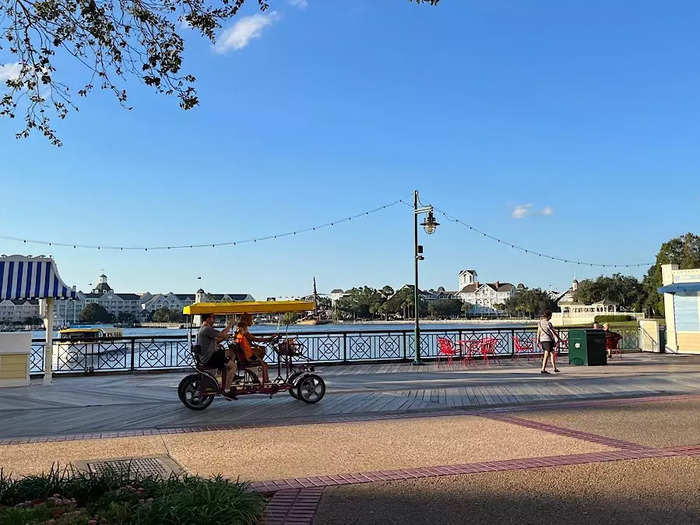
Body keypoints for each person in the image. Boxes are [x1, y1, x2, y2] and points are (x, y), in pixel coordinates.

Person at [197, 313, 236, 394]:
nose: (214, 320)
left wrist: (217, 344)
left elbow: (218, 338)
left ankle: (227, 372)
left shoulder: (204, 329)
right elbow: (222, 335)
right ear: (207, 319)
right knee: (233, 366)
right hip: (210, 357)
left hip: (207, 356)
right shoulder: (207, 329)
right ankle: (227, 389)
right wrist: (230, 325)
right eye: (213, 318)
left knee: (231, 353)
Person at [234, 313, 275, 383]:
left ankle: (258, 375)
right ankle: (264, 379)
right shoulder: (241, 332)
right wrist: (268, 339)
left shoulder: (240, 332)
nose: (252, 321)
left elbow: (243, 341)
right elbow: (253, 339)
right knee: (263, 361)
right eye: (251, 319)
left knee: (261, 351)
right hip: (246, 356)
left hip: (245, 354)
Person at [536, 310, 560, 374]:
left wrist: (537, 340)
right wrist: (559, 338)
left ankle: (554, 368)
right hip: (548, 340)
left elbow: (539, 332)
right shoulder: (548, 323)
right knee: (546, 354)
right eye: (551, 316)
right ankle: (543, 369)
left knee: (552, 353)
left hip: (542, 340)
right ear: (548, 316)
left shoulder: (540, 323)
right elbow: (554, 332)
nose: (551, 317)